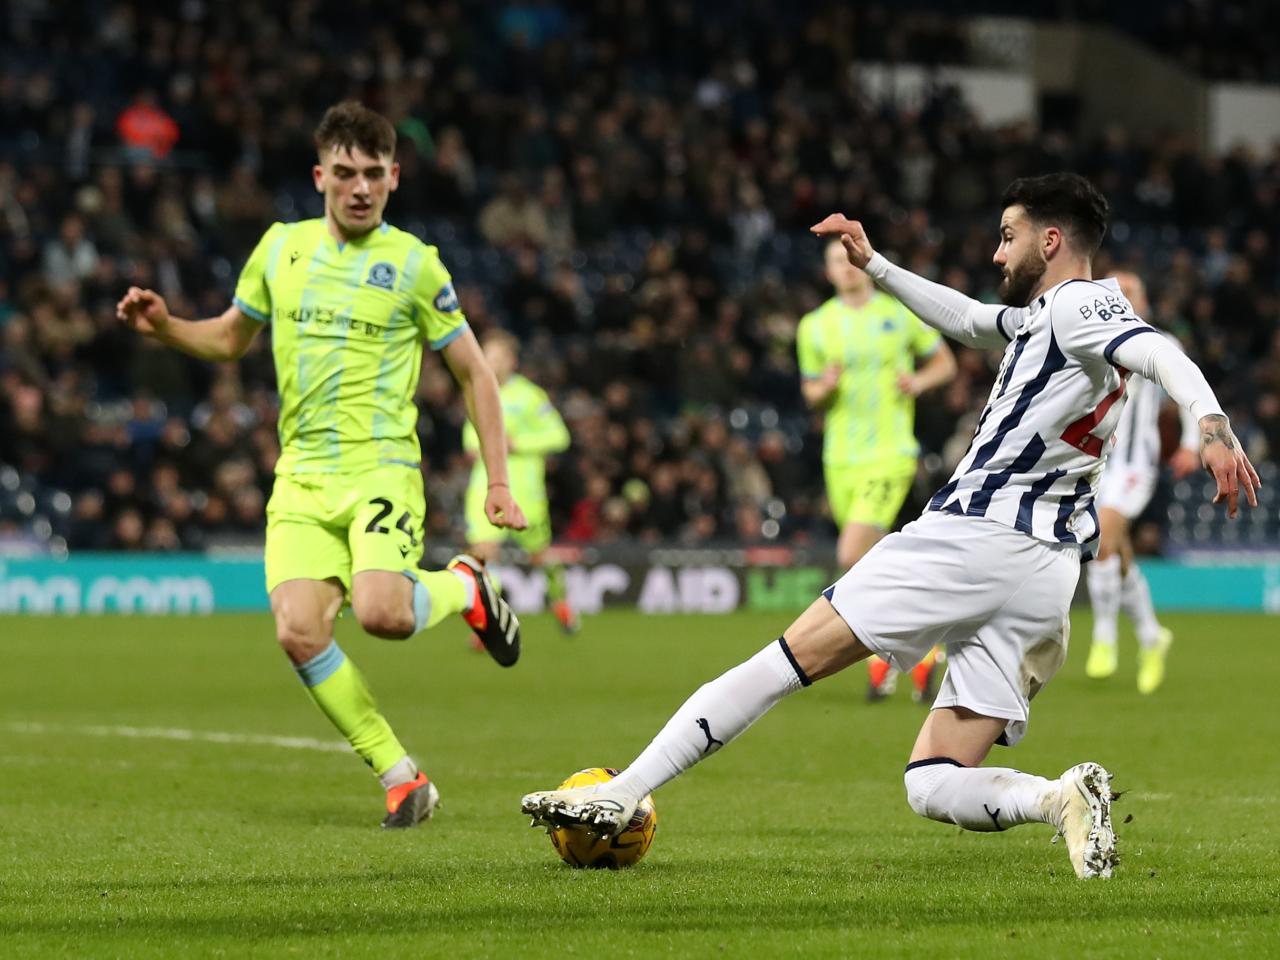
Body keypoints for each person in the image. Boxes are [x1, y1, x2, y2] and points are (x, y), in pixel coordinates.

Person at [519, 173, 1259, 879]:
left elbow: (1158, 348)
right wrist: (876, 265)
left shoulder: (1079, 306)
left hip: (976, 537)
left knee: (782, 662)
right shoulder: (1042, 321)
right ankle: (1058, 798)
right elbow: (970, 320)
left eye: (1009, 237)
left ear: (1053, 239)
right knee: (932, 782)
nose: (997, 253)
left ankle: (622, 792)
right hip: (1046, 573)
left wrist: (1213, 423)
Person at [117, 101, 527, 829]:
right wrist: (165, 327)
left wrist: (496, 481)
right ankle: (402, 776)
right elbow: (228, 339)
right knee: (298, 630)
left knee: (383, 616)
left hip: (380, 469)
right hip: (302, 476)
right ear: (319, 176)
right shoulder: (280, 249)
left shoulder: (414, 264)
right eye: (345, 173)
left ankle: (464, 588)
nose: (360, 187)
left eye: (374, 173)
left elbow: (474, 373)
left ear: (395, 177)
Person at [797, 239, 956, 703]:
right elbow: (808, 394)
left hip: (889, 452)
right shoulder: (815, 325)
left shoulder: (899, 314)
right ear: (828, 272)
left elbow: (944, 363)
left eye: (850, 260)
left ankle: (891, 656)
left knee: (851, 555)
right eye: (835, 262)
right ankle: (916, 652)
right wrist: (822, 388)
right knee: (870, 564)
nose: (845, 269)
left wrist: (918, 381)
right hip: (840, 457)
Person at [1084, 271, 1201, 693]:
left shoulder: (1161, 342)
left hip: (1136, 464)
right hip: (1098, 462)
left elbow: (1187, 391)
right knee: (1118, 552)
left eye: (1133, 290)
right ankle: (1152, 635)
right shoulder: (1092, 338)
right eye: (1119, 290)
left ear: (1145, 299)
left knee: (1102, 540)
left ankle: (1104, 638)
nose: (1125, 295)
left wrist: (1191, 443)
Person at [463, 329, 579, 634]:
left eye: (497, 356)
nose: (491, 362)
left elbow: (559, 436)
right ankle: (491, 624)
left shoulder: (530, 396)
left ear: (511, 361)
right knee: (483, 555)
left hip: (525, 492)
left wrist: (518, 443)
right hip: (484, 487)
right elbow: (468, 439)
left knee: (541, 556)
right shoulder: (478, 390)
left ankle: (561, 604)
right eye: (487, 355)